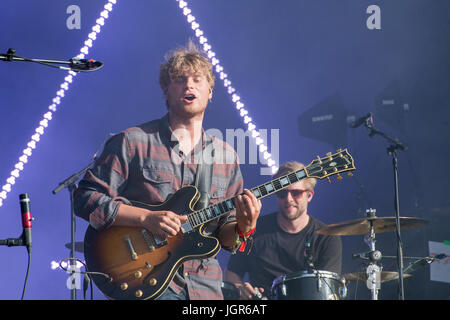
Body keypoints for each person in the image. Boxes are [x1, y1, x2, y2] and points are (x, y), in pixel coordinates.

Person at [74, 40, 261, 300]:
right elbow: (85, 199)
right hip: (144, 283)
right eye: (179, 79)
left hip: (204, 291)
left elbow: (225, 238)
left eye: (197, 79)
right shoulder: (133, 141)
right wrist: (144, 218)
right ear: (165, 91)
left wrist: (244, 225)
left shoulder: (226, 157)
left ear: (210, 91)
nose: (189, 85)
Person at [225, 161, 342, 300]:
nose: (288, 199)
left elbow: (328, 292)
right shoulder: (254, 230)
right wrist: (240, 288)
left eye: (296, 193)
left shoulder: (328, 237)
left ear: (309, 195)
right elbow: (232, 273)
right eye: (282, 193)